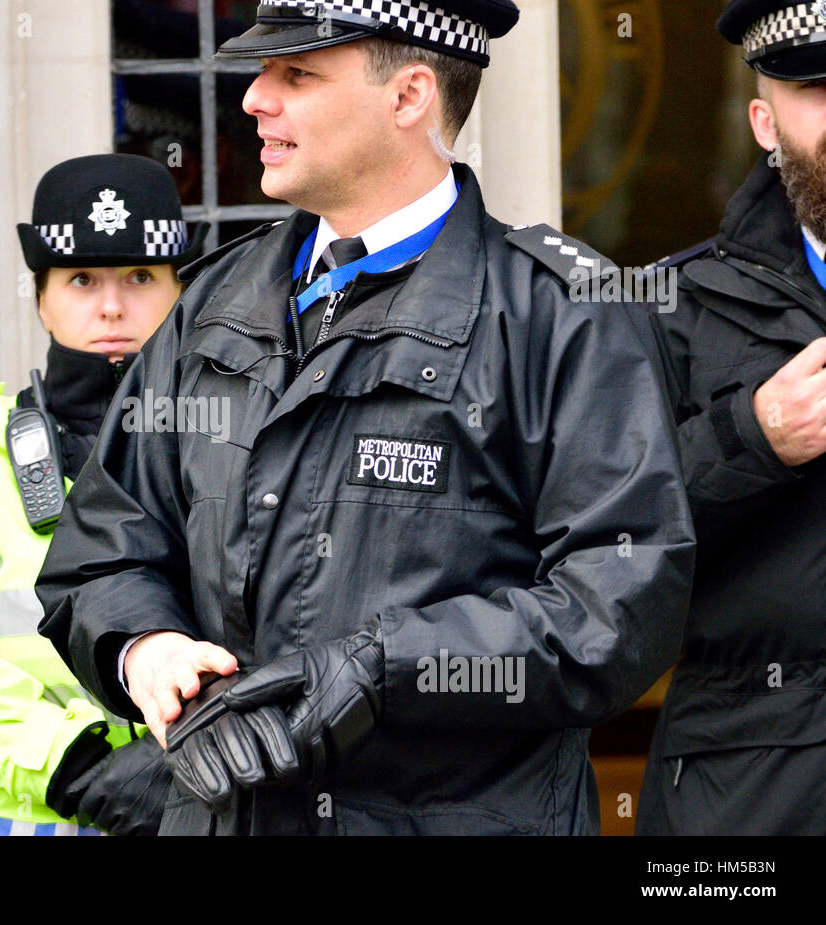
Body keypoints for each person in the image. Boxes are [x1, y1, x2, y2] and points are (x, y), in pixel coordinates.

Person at [36, 0, 695, 835]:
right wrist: (145, 649)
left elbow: (619, 604)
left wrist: (383, 668)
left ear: (410, 95)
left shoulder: (562, 315)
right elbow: (101, 548)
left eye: (297, 74)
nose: (254, 98)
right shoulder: (215, 301)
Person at [0, 153, 206, 835]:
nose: (112, 305)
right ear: (41, 296)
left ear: (180, 289)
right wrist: (77, 766)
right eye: (81, 278)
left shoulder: (237, 443)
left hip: (207, 807)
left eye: (140, 276)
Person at [637, 0, 826, 836]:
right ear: (763, 122)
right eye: (818, 88)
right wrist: (753, 438)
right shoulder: (666, 311)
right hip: (744, 793)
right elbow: (596, 549)